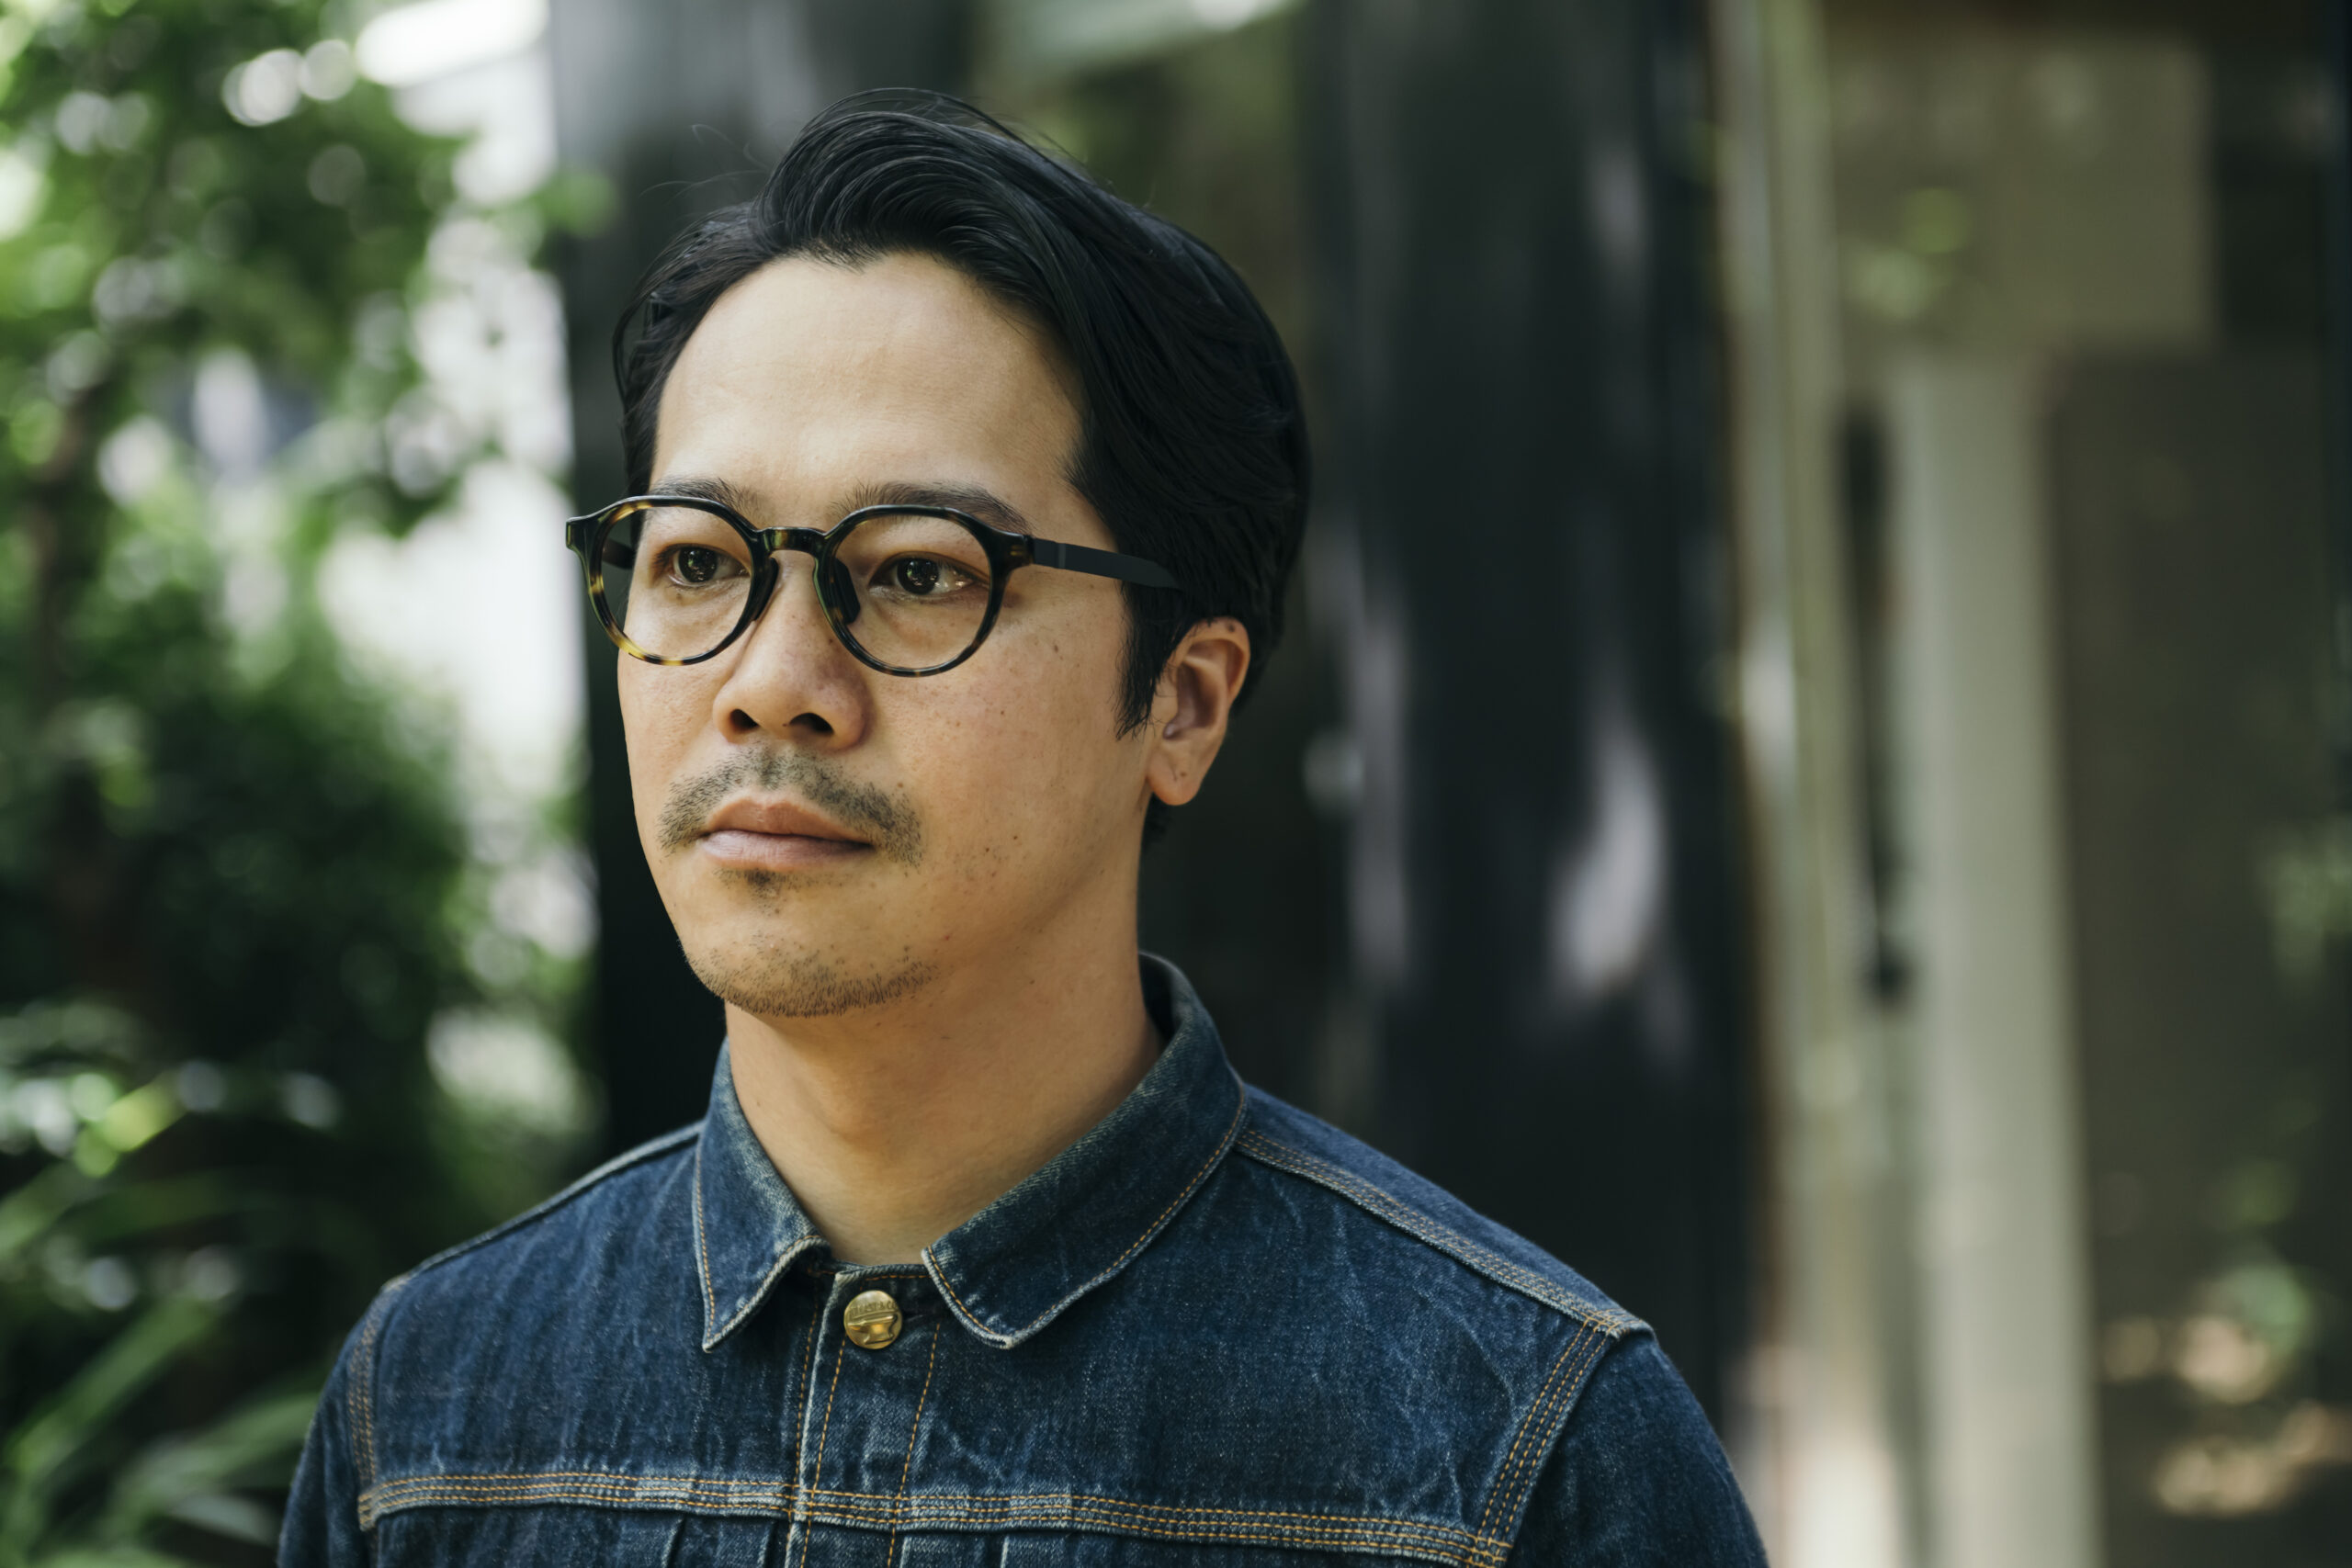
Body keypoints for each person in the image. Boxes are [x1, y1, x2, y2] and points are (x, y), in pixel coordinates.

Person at [281, 91, 1765, 1567]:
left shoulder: (1514, 1463)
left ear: (1182, 704)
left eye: (921, 573)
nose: (771, 684)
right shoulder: (429, 1422)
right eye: (696, 561)